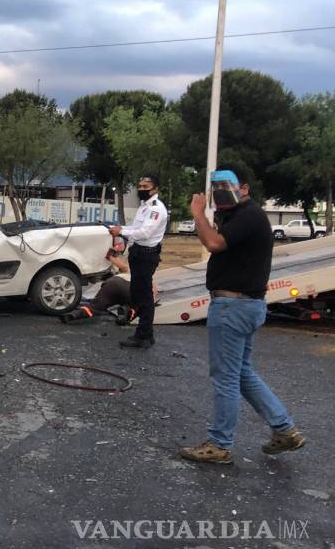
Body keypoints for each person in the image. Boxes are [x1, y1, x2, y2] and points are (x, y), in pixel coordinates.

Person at [178, 168, 305, 464]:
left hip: (233, 308)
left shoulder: (248, 215)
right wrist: (207, 218)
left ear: (244, 188)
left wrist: (197, 213)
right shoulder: (240, 216)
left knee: (225, 377)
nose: (219, 193)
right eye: (214, 189)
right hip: (246, 305)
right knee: (242, 373)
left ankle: (220, 444)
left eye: (224, 187)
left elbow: (213, 243)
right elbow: (215, 239)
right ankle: (284, 428)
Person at [108, 175, 168, 349]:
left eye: (146, 186)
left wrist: (121, 232)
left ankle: (143, 336)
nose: (141, 189)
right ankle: (146, 334)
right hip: (138, 254)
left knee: (144, 297)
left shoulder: (156, 209)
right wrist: (119, 230)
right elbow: (135, 229)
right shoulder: (144, 207)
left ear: (155, 189)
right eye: (139, 185)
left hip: (146, 255)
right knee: (138, 293)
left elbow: (145, 233)